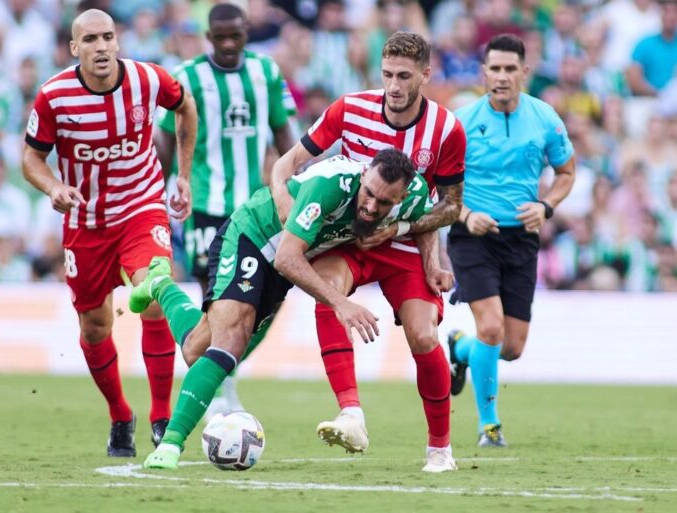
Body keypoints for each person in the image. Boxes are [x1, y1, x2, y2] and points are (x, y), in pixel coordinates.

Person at [129, 149, 434, 470]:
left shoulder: (415, 194)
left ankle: (160, 285)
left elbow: (431, 218)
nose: (371, 207)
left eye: (384, 202)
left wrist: (424, 255)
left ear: (402, 197)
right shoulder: (331, 186)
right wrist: (340, 303)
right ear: (363, 174)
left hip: (284, 266)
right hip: (252, 235)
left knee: (196, 349)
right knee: (229, 343)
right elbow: (287, 258)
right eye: (368, 193)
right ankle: (170, 444)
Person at [268, 31, 464, 471]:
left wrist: (417, 244)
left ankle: (440, 450)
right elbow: (287, 162)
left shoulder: (446, 129)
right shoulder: (349, 109)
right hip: (350, 238)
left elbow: (450, 206)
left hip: (405, 244)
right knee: (326, 288)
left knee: (423, 336)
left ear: (425, 75)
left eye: (404, 76)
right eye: (387, 74)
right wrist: (282, 195)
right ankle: (351, 414)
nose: (394, 86)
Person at [21, 9, 198, 457]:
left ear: (117, 42)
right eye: (90, 40)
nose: (101, 47)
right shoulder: (54, 96)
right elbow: (31, 159)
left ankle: (162, 416)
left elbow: (186, 106)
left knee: (154, 294)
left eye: (107, 37)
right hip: (86, 223)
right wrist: (54, 187)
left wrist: (183, 175)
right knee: (96, 326)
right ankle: (121, 415)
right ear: (74, 48)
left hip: (141, 207)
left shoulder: (148, 79)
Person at [155, 3, 296, 415]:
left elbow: (285, 134)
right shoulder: (186, 76)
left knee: (271, 299)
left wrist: (297, 187)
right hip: (206, 204)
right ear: (209, 37)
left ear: (247, 31)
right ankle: (217, 389)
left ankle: (219, 372)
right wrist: (156, 193)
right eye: (221, 37)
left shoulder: (266, 72)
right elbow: (165, 138)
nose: (229, 44)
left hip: (252, 210)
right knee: (215, 301)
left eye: (236, 35)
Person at [445, 34, 576, 447]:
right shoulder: (462, 122)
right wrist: (467, 215)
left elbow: (566, 172)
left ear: (524, 72)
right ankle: (490, 426)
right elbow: (438, 185)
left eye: (509, 69)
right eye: (495, 69)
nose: (501, 76)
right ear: (484, 73)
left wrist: (546, 206)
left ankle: (460, 349)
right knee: (491, 327)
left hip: (521, 239)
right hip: (472, 237)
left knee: (512, 347)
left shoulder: (545, 118)